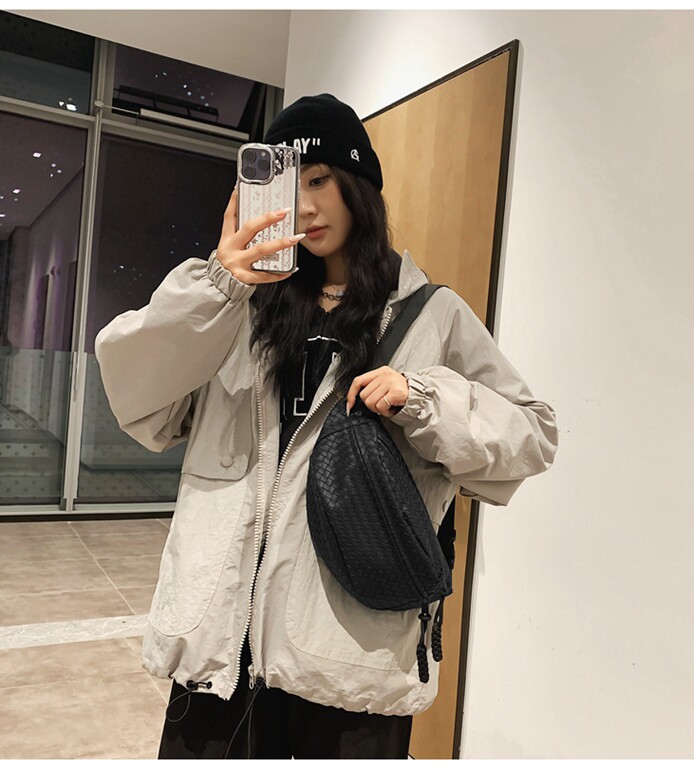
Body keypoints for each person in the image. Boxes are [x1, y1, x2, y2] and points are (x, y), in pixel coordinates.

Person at [95, 93, 558, 759]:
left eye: (320, 181)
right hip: (220, 648)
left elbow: (531, 435)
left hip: (347, 656)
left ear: (358, 188)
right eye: (290, 186)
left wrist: (424, 397)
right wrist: (219, 287)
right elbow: (139, 397)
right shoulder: (236, 308)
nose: (305, 206)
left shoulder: (431, 313)